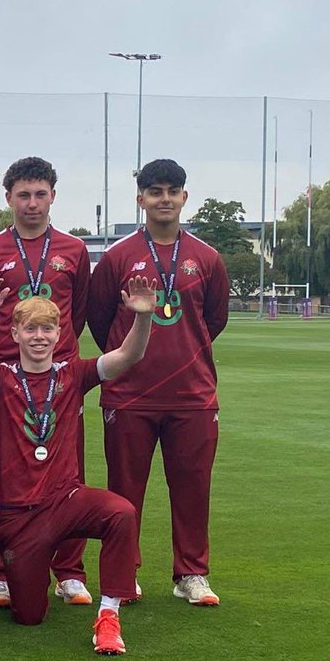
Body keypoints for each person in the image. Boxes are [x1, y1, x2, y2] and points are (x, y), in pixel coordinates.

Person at [0, 275, 157, 654]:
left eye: (47, 328)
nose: (39, 336)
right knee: (29, 615)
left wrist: (142, 318)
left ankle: (109, 617)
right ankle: (25, 573)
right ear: (14, 333)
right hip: (19, 516)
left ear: (60, 334)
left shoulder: (73, 374)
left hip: (67, 501)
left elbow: (128, 357)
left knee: (122, 514)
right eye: (30, 328)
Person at [87, 159, 229, 606]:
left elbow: (214, 320)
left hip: (192, 394)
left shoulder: (207, 258)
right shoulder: (117, 257)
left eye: (172, 191)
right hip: (130, 395)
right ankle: (123, 575)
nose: (164, 198)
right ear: (140, 199)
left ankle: (191, 573)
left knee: (192, 488)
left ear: (184, 197)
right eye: (155, 191)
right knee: (124, 492)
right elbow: (99, 319)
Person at [0, 156, 92, 609]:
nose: (32, 203)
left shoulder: (74, 250)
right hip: (3, 380)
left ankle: (68, 571)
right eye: (23, 194)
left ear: (53, 197)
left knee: (69, 476)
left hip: (59, 381)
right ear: (8, 199)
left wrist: (52, 356)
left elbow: (76, 316)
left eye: (40, 194)